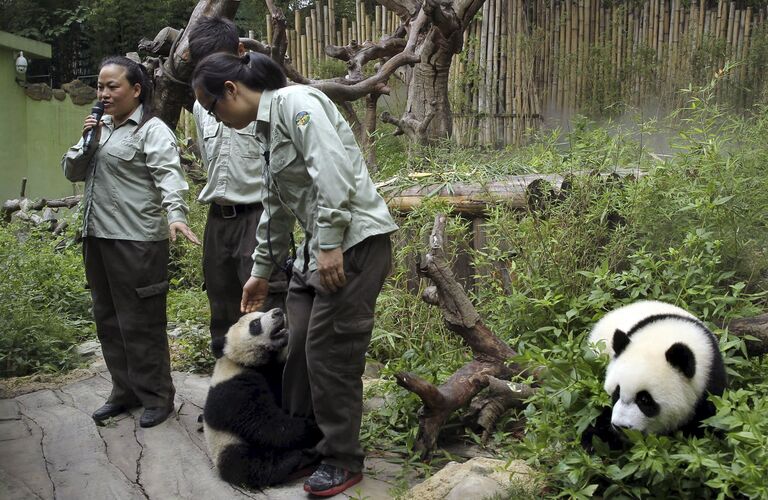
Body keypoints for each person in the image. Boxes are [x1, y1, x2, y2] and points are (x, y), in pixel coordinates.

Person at [192, 52, 398, 496]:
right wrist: (261, 271)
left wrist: (328, 243)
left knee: (329, 353)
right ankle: (308, 441)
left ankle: (342, 456)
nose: (216, 119)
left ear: (231, 89)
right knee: (296, 345)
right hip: (315, 253)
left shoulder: (296, 102)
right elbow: (275, 208)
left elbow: (333, 172)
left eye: (213, 108)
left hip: (352, 245)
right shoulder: (266, 132)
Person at [62, 56, 200, 428]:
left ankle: (157, 396)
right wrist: (88, 140)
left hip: (137, 243)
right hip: (97, 239)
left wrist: (176, 215)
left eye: (112, 86)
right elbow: (71, 170)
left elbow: (169, 176)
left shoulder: (152, 130)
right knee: (108, 319)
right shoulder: (99, 128)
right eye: (100, 86)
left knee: (142, 321)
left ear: (136, 90)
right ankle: (123, 392)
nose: (104, 93)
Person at [187, 16, 287, 352]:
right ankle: (229, 389)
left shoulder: (268, 99)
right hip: (217, 219)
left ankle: (271, 395)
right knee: (222, 308)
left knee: (264, 308)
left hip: (260, 215)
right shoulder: (203, 108)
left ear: (239, 52)